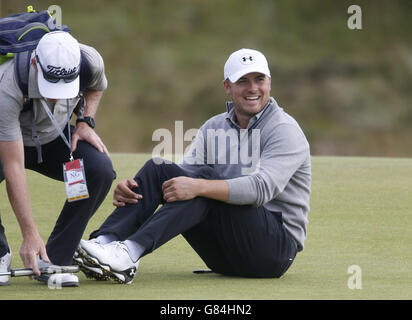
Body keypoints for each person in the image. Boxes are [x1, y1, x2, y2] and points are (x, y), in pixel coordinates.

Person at [76, 48, 311, 284]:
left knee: (203, 183)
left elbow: (261, 189)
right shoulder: (214, 126)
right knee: (159, 170)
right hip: (222, 255)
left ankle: (128, 253)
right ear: (227, 87)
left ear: (269, 83)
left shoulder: (284, 129)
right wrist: (140, 189)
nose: (253, 88)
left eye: (260, 80)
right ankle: (106, 242)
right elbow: (178, 182)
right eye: (243, 81)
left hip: (273, 252)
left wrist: (200, 186)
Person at [0, 31, 116, 287]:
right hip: (8, 139)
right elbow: (14, 167)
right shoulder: (7, 84)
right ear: (35, 64)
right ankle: (0, 253)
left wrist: (85, 122)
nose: (55, 94)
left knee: (100, 170)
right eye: (51, 82)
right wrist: (29, 234)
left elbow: (96, 85)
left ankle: (54, 258)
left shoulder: (89, 61)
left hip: (54, 137)